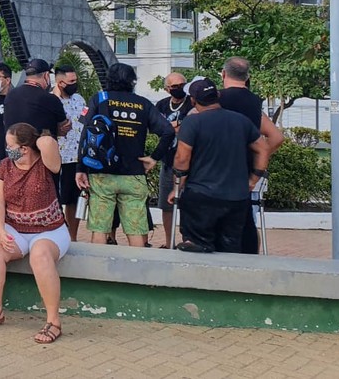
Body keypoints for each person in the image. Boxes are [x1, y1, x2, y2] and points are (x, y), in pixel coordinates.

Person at [0, 123, 69, 344]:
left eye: (10, 145)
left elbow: (49, 147)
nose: (6, 149)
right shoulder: (6, 165)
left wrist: (42, 138)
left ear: (25, 148)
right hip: (16, 228)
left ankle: (53, 322)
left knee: (40, 255)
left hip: (50, 231)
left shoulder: (46, 164)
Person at [75, 63, 173, 247]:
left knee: (100, 229)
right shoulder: (143, 103)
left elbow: (86, 135)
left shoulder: (100, 99)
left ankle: (99, 272)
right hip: (134, 174)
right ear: (132, 82)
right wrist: (154, 158)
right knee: (136, 230)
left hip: (102, 174)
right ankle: (137, 272)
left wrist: (80, 168)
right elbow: (168, 131)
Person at [170, 79, 271, 253]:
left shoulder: (192, 122)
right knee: (230, 248)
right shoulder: (241, 121)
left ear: (193, 100)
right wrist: (253, 179)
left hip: (201, 196)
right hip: (236, 197)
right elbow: (263, 149)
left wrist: (177, 187)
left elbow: (181, 158)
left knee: (198, 247)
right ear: (217, 95)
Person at [219, 56, 285, 254]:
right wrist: (259, 159)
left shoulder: (216, 99)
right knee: (246, 219)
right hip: (244, 172)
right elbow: (276, 137)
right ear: (247, 77)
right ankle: (251, 260)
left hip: (214, 170)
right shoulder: (254, 102)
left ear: (223, 74)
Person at [154, 73, 193, 249]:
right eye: (174, 86)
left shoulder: (192, 103)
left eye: (182, 85)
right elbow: (156, 128)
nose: (179, 89)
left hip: (190, 164)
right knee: (166, 204)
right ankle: (169, 241)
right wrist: (173, 129)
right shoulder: (161, 105)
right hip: (168, 162)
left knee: (189, 204)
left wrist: (173, 129)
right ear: (167, 88)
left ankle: (188, 238)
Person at [53, 65, 87, 241]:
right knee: (56, 200)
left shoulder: (79, 99)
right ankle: (58, 235)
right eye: (71, 81)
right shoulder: (51, 100)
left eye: (76, 80)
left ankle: (72, 237)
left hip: (76, 158)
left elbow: (84, 121)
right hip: (57, 158)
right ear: (60, 83)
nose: (75, 84)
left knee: (73, 200)